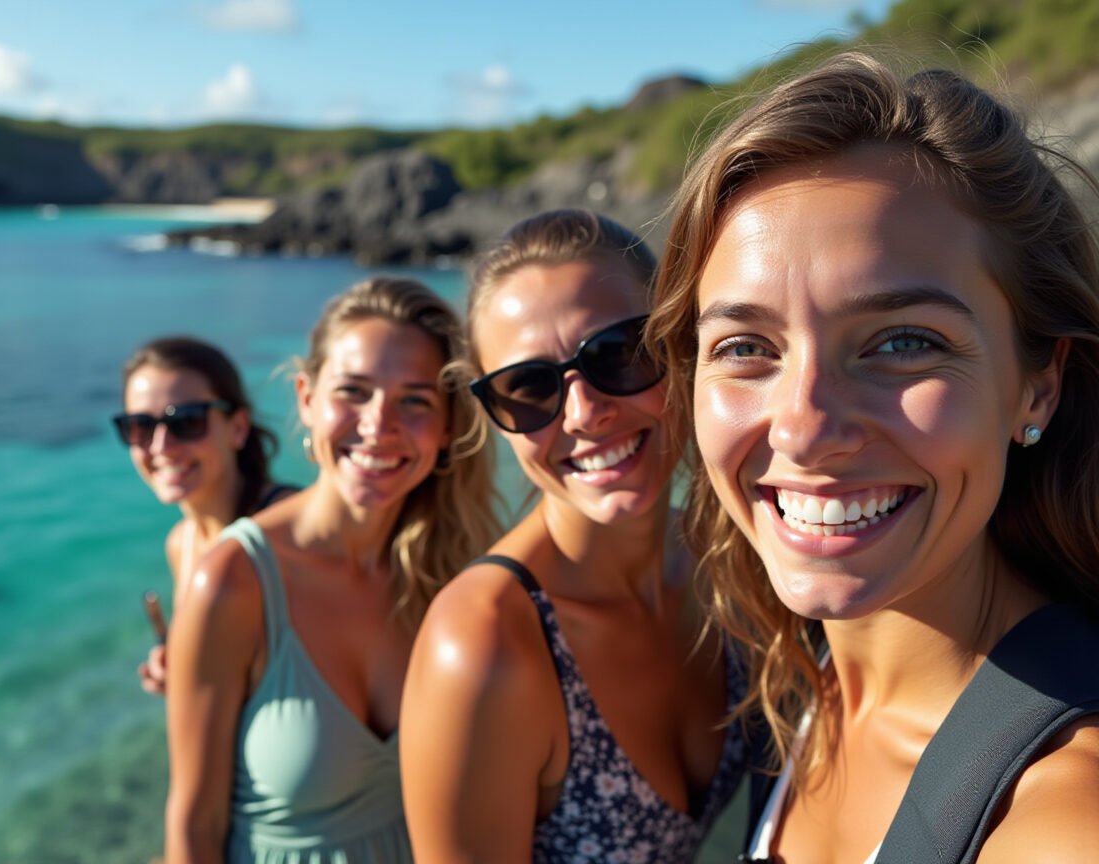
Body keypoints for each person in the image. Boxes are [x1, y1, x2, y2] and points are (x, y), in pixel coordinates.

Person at [646, 53, 1099, 862]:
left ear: (1039, 384)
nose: (804, 429)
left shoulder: (1064, 817)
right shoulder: (795, 690)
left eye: (903, 342)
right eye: (746, 346)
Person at [401, 209, 749, 863]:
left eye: (618, 353)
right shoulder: (483, 645)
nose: (585, 412)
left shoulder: (729, 560)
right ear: (496, 417)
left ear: (677, 341)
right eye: (527, 387)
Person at [163, 277, 501, 863]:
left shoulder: (458, 574)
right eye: (354, 391)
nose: (378, 425)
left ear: (448, 426)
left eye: (415, 400)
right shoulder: (233, 582)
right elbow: (194, 824)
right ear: (306, 399)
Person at [116, 337, 295, 695]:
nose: (161, 446)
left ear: (238, 427)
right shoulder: (181, 544)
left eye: (187, 421)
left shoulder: (290, 531)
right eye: (140, 426)